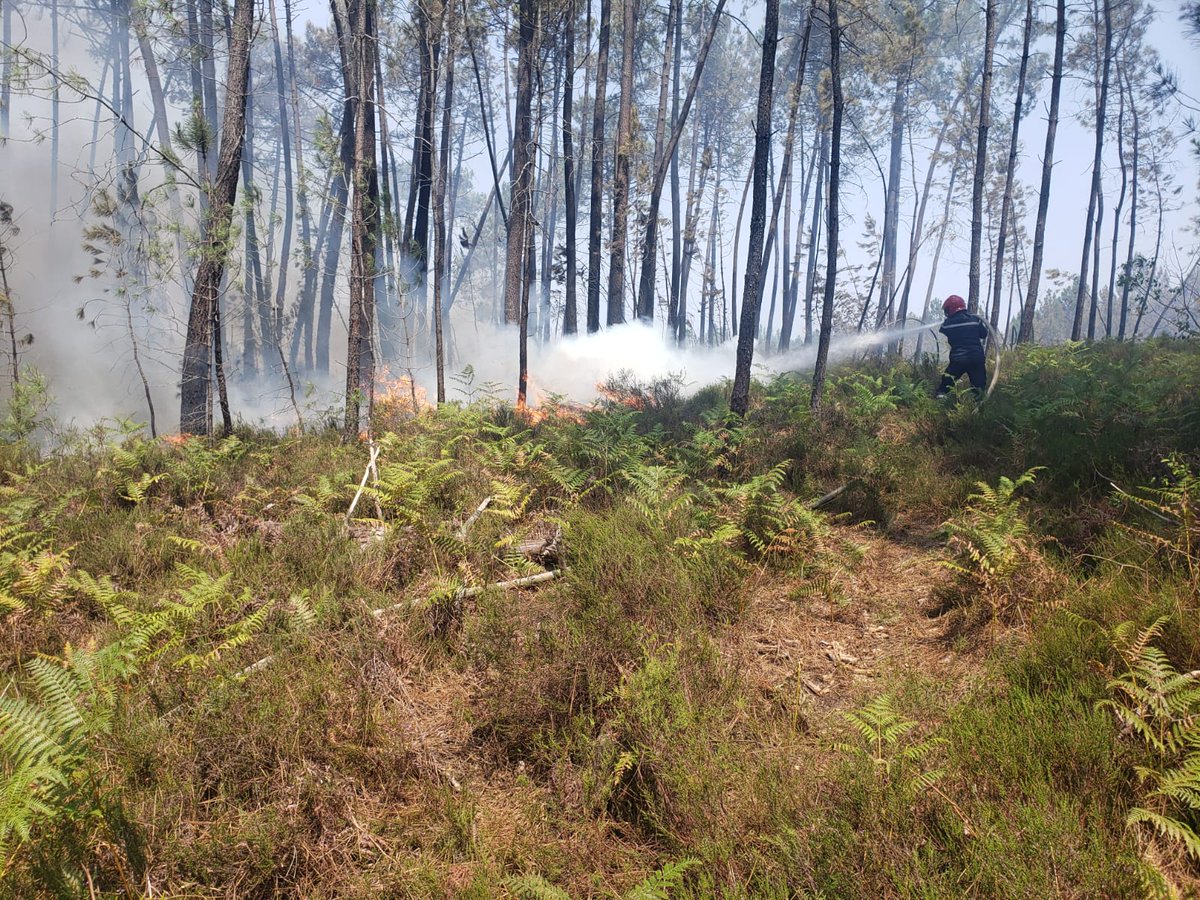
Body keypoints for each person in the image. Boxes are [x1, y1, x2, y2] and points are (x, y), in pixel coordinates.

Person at [935, 294, 989, 398]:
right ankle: (978, 408)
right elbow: (984, 334)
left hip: (958, 360)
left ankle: (941, 401)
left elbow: (943, 329)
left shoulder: (948, 324)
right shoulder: (975, 320)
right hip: (976, 359)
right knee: (979, 388)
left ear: (951, 309)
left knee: (946, 383)